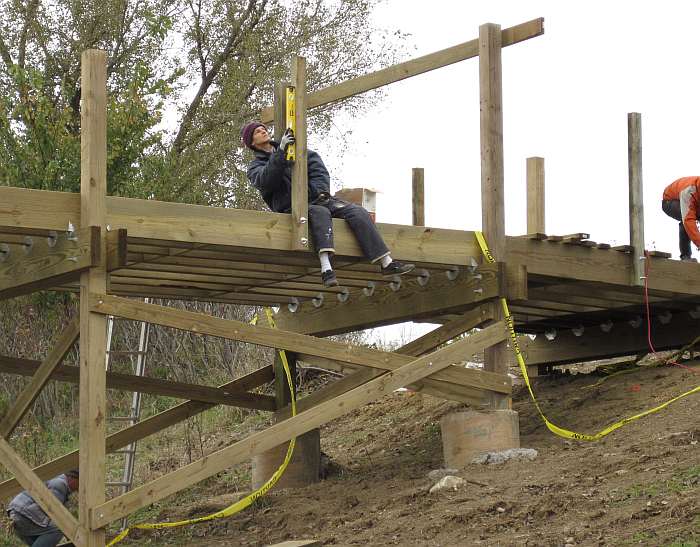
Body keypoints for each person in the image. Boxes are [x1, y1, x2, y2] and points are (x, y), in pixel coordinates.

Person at [241, 122, 415, 287]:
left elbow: (317, 168)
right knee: (320, 214)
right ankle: (326, 269)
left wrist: (319, 191)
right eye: (257, 131)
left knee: (357, 211)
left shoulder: (297, 150)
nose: (263, 131)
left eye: (263, 128)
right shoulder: (255, 167)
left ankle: (386, 262)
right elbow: (267, 180)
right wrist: (280, 153)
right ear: (252, 143)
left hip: (318, 199)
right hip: (291, 208)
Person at [6, 470, 78, 547]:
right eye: (79, 482)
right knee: (61, 528)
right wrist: (72, 534)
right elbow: (55, 513)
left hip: (17, 514)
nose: (78, 488)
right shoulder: (60, 484)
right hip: (25, 514)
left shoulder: (54, 480)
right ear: (71, 478)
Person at [662, 176, 700, 262]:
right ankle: (686, 256)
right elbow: (688, 220)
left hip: (694, 201)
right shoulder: (688, 191)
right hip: (670, 201)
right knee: (686, 222)